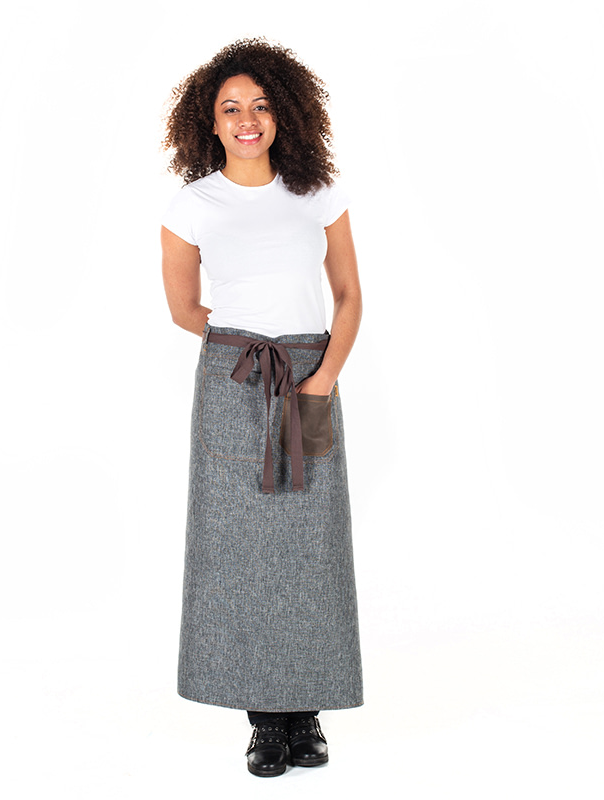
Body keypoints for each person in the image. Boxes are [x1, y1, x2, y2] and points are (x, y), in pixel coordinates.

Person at [160, 37, 363, 778]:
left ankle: (307, 713)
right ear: (209, 122)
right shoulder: (193, 204)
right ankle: (265, 722)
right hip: (233, 381)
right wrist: (240, 345)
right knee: (238, 548)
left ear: (284, 113)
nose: (247, 119)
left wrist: (323, 377)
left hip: (311, 375)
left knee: (311, 543)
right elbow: (184, 307)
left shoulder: (319, 193)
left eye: (260, 105)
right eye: (230, 108)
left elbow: (349, 295)